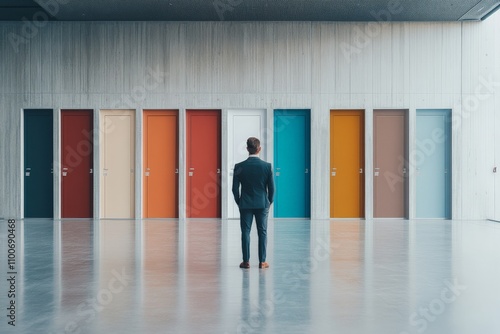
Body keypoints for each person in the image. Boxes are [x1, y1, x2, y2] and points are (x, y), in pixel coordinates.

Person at [232, 137, 275, 269]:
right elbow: (272, 188)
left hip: (245, 204)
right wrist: (269, 201)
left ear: (247, 149)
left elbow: (234, 189)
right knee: (262, 232)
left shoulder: (239, 167)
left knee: (245, 231)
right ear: (259, 149)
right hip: (262, 204)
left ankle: (246, 261)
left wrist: (239, 202)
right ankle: (262, 262)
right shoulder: (267, 166)